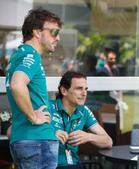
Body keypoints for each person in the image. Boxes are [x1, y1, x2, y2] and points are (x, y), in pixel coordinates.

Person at [5, 7, 62, 169]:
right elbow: (17, 84)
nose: (58, 38)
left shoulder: (19, 54)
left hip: (24, 139)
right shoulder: (31, 55)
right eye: (54, 32)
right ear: (37, 32)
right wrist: (33, 117)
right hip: (37, 140)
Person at [50, 71, 112, 169]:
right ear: (64, 90)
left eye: (86, 89)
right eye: (79, 89)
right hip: (50, 165)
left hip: (74, 165)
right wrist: (51, 134)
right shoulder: (48, 107)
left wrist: (88, 136)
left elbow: (108, 141)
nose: (84, 93)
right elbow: (29, 134)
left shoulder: (84, 111)